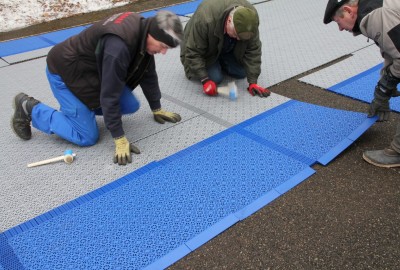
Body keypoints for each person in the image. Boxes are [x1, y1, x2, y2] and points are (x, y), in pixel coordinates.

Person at [12, 10, 183, 166]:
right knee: (87, 136)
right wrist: (119, 137)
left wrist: (156, 107)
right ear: (152, 35)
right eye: (163, 46)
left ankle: (82, 111)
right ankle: (30, 109)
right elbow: (109, 95)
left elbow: (147, 72)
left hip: (92, 74)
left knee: (130, 105)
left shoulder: (144, 30)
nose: (163, 52)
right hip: (65, 74)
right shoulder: (118, 45)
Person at [323, 0, 400, 168]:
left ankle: (397, 152)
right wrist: (382, 89)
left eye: (338, 22)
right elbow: (392, 51)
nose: (341, 28)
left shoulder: (376, 16)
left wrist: (386, 86)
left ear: (349, 11)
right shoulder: (373, 7)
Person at [180, 0, 270, 98]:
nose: (239, 39)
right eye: (236, 34)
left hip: (223, 43)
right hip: (202, 49)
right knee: (215, 78)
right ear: (229, 21)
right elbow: (193, 52)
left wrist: (253, 82)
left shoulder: (250, 18)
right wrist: (205, 79)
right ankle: (215, 61)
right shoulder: (205, 19)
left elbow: (253, 49)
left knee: (242, 73)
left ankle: (221, 58)